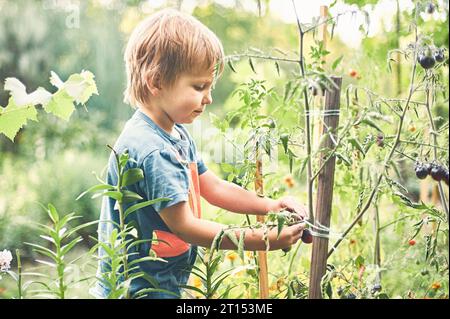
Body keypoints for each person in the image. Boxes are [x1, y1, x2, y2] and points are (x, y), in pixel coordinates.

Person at [92, 8, 307, 299]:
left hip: (164, 282)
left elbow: (213, 187)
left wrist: (271, 207)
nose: (209, 98)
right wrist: (263, 239)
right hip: (139, 290)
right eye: (199, 86)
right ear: (155, 82)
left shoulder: (175, 134)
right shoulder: (151, 149)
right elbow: (187, 228)